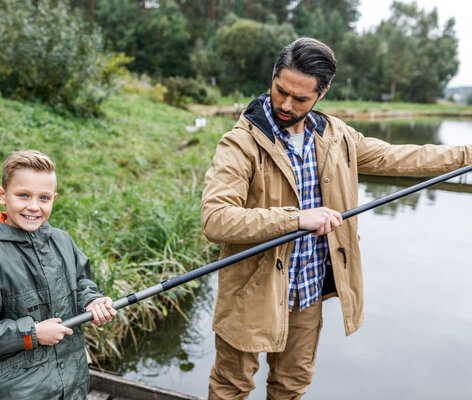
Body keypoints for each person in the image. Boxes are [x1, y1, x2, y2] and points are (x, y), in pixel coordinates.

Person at [200, 37, 472, 399]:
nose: (285, 104)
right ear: (274, 77)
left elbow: (403, 157)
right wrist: (297, 219)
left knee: (291, 387)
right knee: (231, 387)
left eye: (300, 99)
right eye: (280, 90)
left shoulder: (337, 136)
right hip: (251, 293)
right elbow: (216, 219)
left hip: (309, 292)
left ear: (322, 92)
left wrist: (467, 153)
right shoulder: (238, 144)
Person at [0, 149, 117, 400]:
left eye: (44, 198)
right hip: (19, 392)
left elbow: (82, 281)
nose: (33, 206)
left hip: (72, 383)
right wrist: (32, 334)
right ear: (2, 195)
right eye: (23, 195)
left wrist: (91, 300)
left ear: (54, 198)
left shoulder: (62, 241)